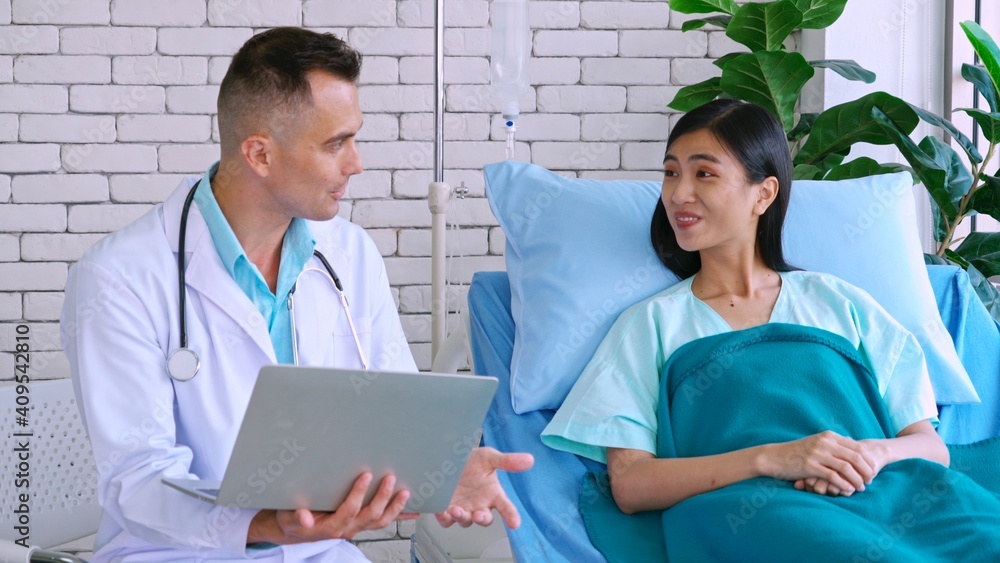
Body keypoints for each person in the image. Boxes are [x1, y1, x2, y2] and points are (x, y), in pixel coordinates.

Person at [62, 27, 532, 562]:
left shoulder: (351, 254)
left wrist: (438, 473)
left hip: (319, 553)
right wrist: (272, 526)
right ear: (260, 154)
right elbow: (139, 484)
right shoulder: (118, 279)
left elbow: (396, 413)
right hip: (174, 553)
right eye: (336, 143)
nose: (356, 163)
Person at [541, 99, 1000, 561]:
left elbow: (928, 448)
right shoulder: (651, 324)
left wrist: (866, 458)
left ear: (764, 194)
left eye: (704, 174)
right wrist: (775, 459)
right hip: (752, 511)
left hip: (887, 491)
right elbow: (632, 484)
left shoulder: (840, 302)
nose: (679, 194)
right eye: (671, 173)